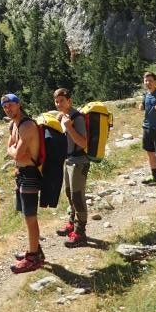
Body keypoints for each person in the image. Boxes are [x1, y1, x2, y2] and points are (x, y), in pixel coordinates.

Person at [3, 93, 44, 273]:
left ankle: (33, 257)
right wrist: (15, 151)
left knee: (30, 217)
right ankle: (36, 250)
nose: (8, 109)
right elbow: (12, 150)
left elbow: (17, 153)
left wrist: (14, 151)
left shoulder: (26, 125)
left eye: (11, 105)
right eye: (5, 107)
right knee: (26, 215)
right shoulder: (13, 124)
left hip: (30, 174)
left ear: (18, 104)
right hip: (21, 173)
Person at [54, 87, 90, 248]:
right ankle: (72, 224)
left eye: (62, 100)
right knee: (69, 194)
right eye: (56, 101)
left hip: (79, 161)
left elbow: (83, 142)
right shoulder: (64, 116)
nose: (59, 104)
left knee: (77, 197)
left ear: (69, 101)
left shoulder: (77, 118)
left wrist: (69, 127)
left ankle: (80, 233)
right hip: (69, 160)